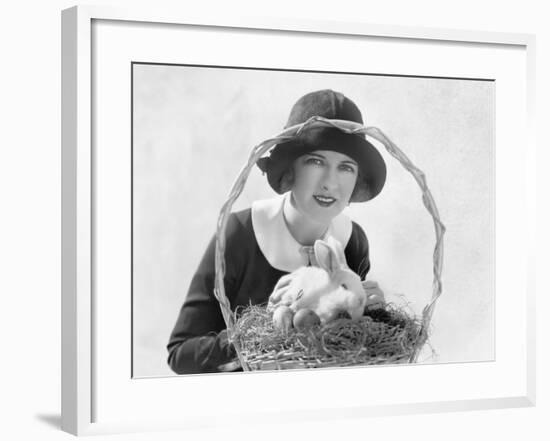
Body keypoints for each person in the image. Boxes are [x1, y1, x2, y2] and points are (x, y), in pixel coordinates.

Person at [167, 89, 387, 374]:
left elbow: (345, 351)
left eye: (346, 167)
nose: (330, 183)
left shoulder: (353, 241)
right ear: (290, 169)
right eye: (315, 162)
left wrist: (373, 314)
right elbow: (181, 355)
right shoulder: (239, 233)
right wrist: (260, 333)